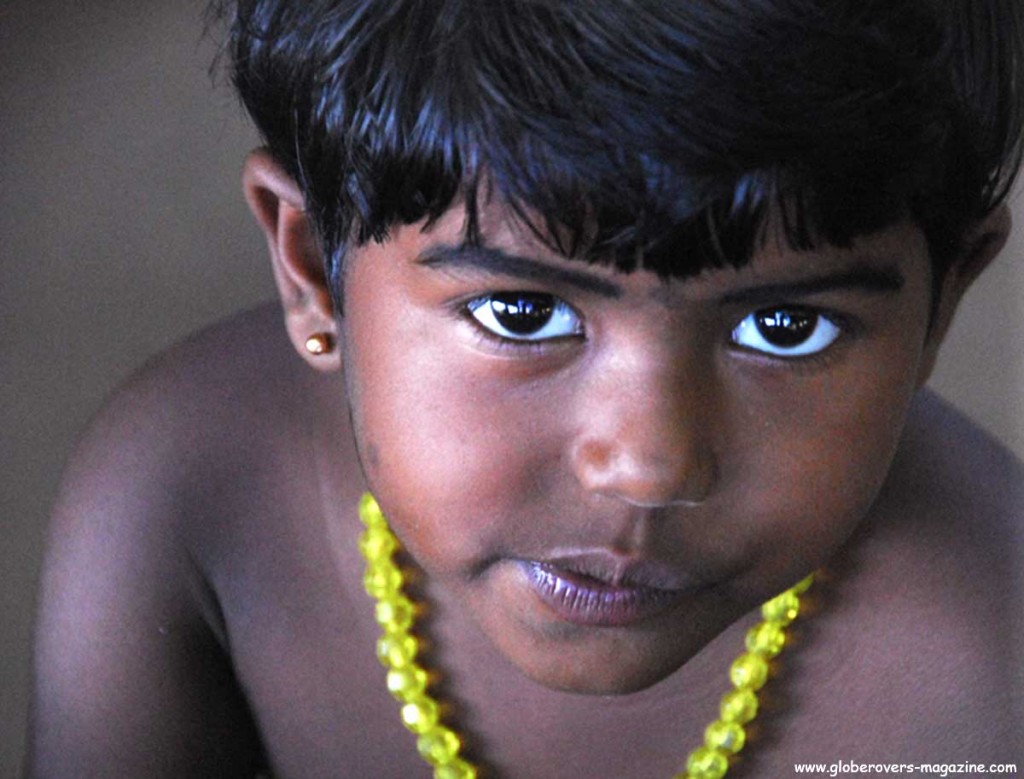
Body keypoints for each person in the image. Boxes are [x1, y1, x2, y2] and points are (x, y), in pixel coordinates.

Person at [26, 1, 1024, 777]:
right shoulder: (185, 486)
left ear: (942, 300)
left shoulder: (987, 668)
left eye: (784, 326)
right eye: (520, 314)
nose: (646, 464)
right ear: (310, 267)